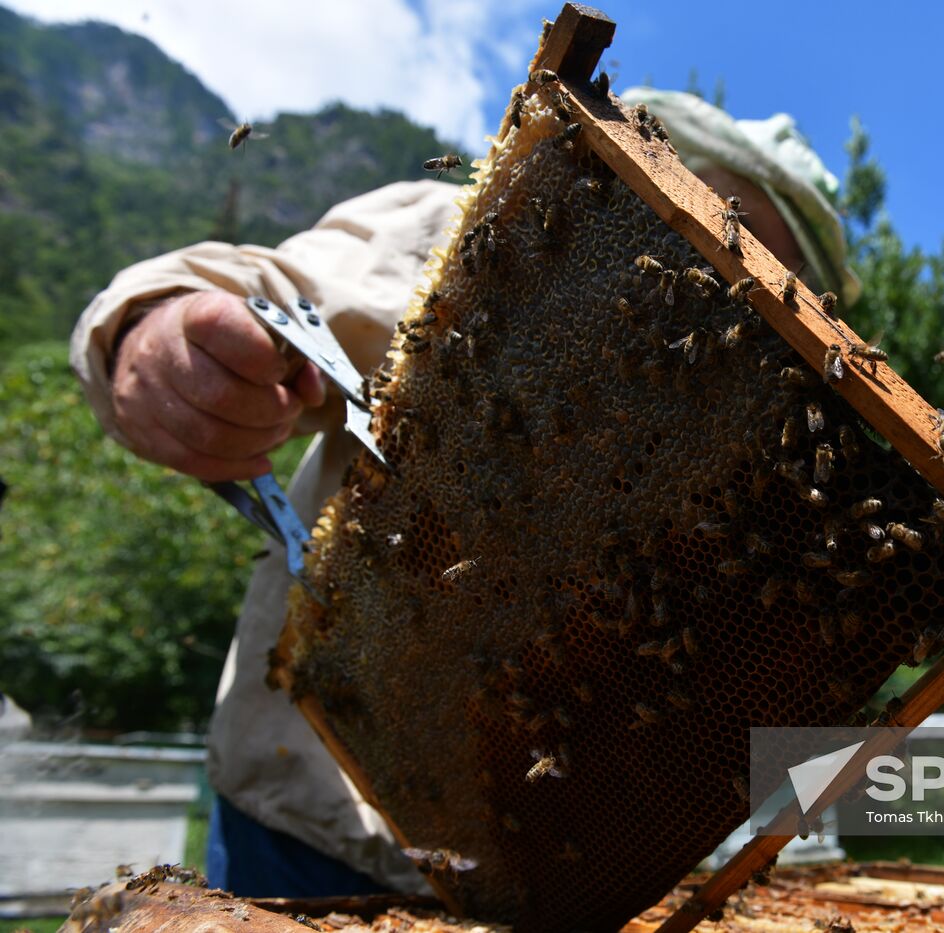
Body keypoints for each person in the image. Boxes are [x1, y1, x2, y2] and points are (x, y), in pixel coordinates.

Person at [70, 88, 859, 897]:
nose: (735, 279)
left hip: (543, 886)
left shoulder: (757, 460)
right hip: (305, 839)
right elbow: (275, 288)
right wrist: (157, 332)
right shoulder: (491, 242)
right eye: (730, 226)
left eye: (776, 281)